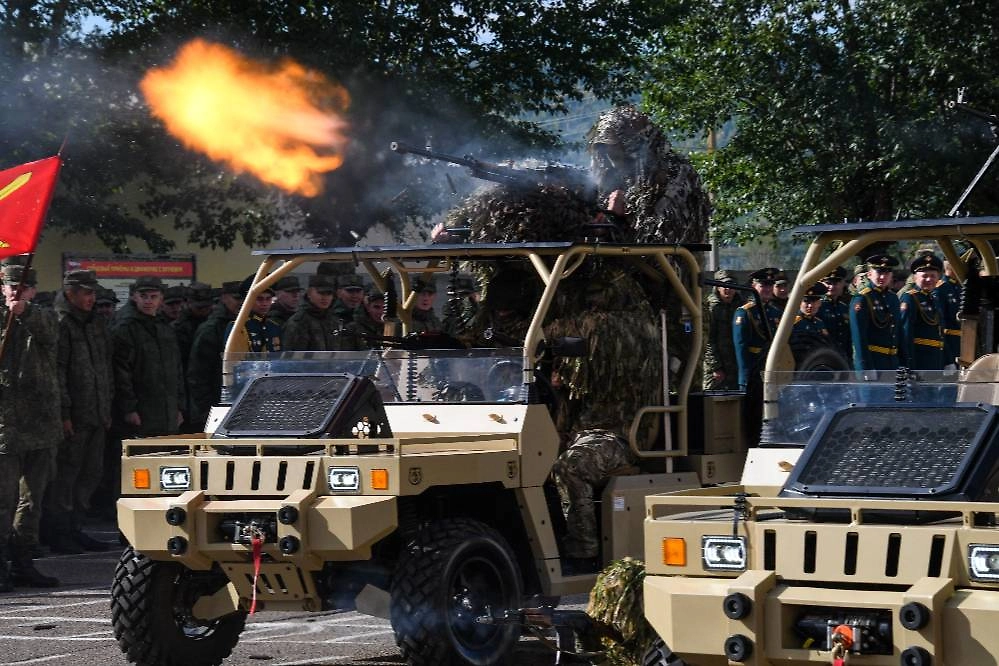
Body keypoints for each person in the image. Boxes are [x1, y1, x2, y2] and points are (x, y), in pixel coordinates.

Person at [0, 264, 62, 590]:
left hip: (40, 423)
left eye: (22, 287)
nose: (15, 292)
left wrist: (23, 312)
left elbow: (51, 334)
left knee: (32, 500)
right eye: (11, 286)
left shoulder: (44, 317)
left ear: (32, 290)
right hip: (5, 427)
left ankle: (24, 561)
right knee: (3, 499)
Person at [46, 269, 112, 554]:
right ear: (70, 293)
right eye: (87, 293)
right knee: (66, 476)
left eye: (93, 293)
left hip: (96, 412)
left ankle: (76, 527)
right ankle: (59, 531)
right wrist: (64, 413)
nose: (91, 298)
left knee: (90, 473)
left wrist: (106, 406)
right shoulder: (62, 323)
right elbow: (57, 370)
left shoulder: (94, 323)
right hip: (75, 414)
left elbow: (104, 367)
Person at [112, 276, 185, 437]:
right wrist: (129, 408)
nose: (148, 301)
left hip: (168, 410)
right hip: (142, 410)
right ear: (134, 297)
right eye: (143, 296)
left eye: (153, 297)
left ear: (161, 299)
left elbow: (176, 370)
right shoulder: (126, 328)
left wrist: (179, 407)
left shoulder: (164, 328)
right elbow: (121, 373)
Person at [187, 280, 242, 429]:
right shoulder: (212, 329)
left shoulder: (244, 324)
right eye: (237, 298)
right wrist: (206, 410)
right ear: (224, 298)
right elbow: (198, 375)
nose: (241, 302)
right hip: (214, 407)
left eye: (245, 298)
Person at [849, 254, 901, 372]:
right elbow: (859, 337)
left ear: (891, 275)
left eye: (887, 273)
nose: (882, 277)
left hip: (892, 362)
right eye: (879, 272)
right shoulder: (862, 299)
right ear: (869, 274)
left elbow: (897, 332)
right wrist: (866, 367)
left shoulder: (893, 298)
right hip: (873, 361)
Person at [283, 273, 362, 350]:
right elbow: (292, 357)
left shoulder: (334, 320)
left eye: (329, 294)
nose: (325, 298)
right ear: (309, 293)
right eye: (321, 293)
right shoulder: (299, 322)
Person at [732, 267, 781, 389]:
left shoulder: (776, 312)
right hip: (754, 371)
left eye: (770, 285)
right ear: (754, 286)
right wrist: (745, 377)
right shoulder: (745, 312)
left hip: (772, 371)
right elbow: (741, 347)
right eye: (763, 285)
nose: (768, 289)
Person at [899, 253, 945, 370]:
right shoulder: (910, 298)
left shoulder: (934, 298)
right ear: (915, 278)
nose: (929, 279)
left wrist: (948, 360)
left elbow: (940, 333)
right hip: (920, 361)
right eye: (924, 276)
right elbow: (906, 334)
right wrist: (909, 366)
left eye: (933, 276)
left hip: (936, 360)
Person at [702, 269, 741, 390]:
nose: (727, 289)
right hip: (716, 368)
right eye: (723, 286)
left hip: (736, 366)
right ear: (717, 287)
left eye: (730, 286)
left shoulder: (741, 307)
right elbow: (707, 340)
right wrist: (716, 367)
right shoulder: (711, 307)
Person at [224, 278, 282, 353]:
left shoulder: (274, 327)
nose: (264, 304)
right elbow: (234, 359)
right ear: (249, 300)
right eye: (259, 299)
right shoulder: (239, 327)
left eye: (268, 299)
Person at [819, 266, 852, 359]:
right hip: (823, 358)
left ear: (842, 284)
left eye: (836, 283)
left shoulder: (844, 307)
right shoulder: (817, 307)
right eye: (828, 283)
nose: (832, 287)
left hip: (843, 358)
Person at [935, 260, 962, 368]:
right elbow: (940, 322)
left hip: (962, 341)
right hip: (950, 342)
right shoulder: (941, 288)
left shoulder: (959, 285)